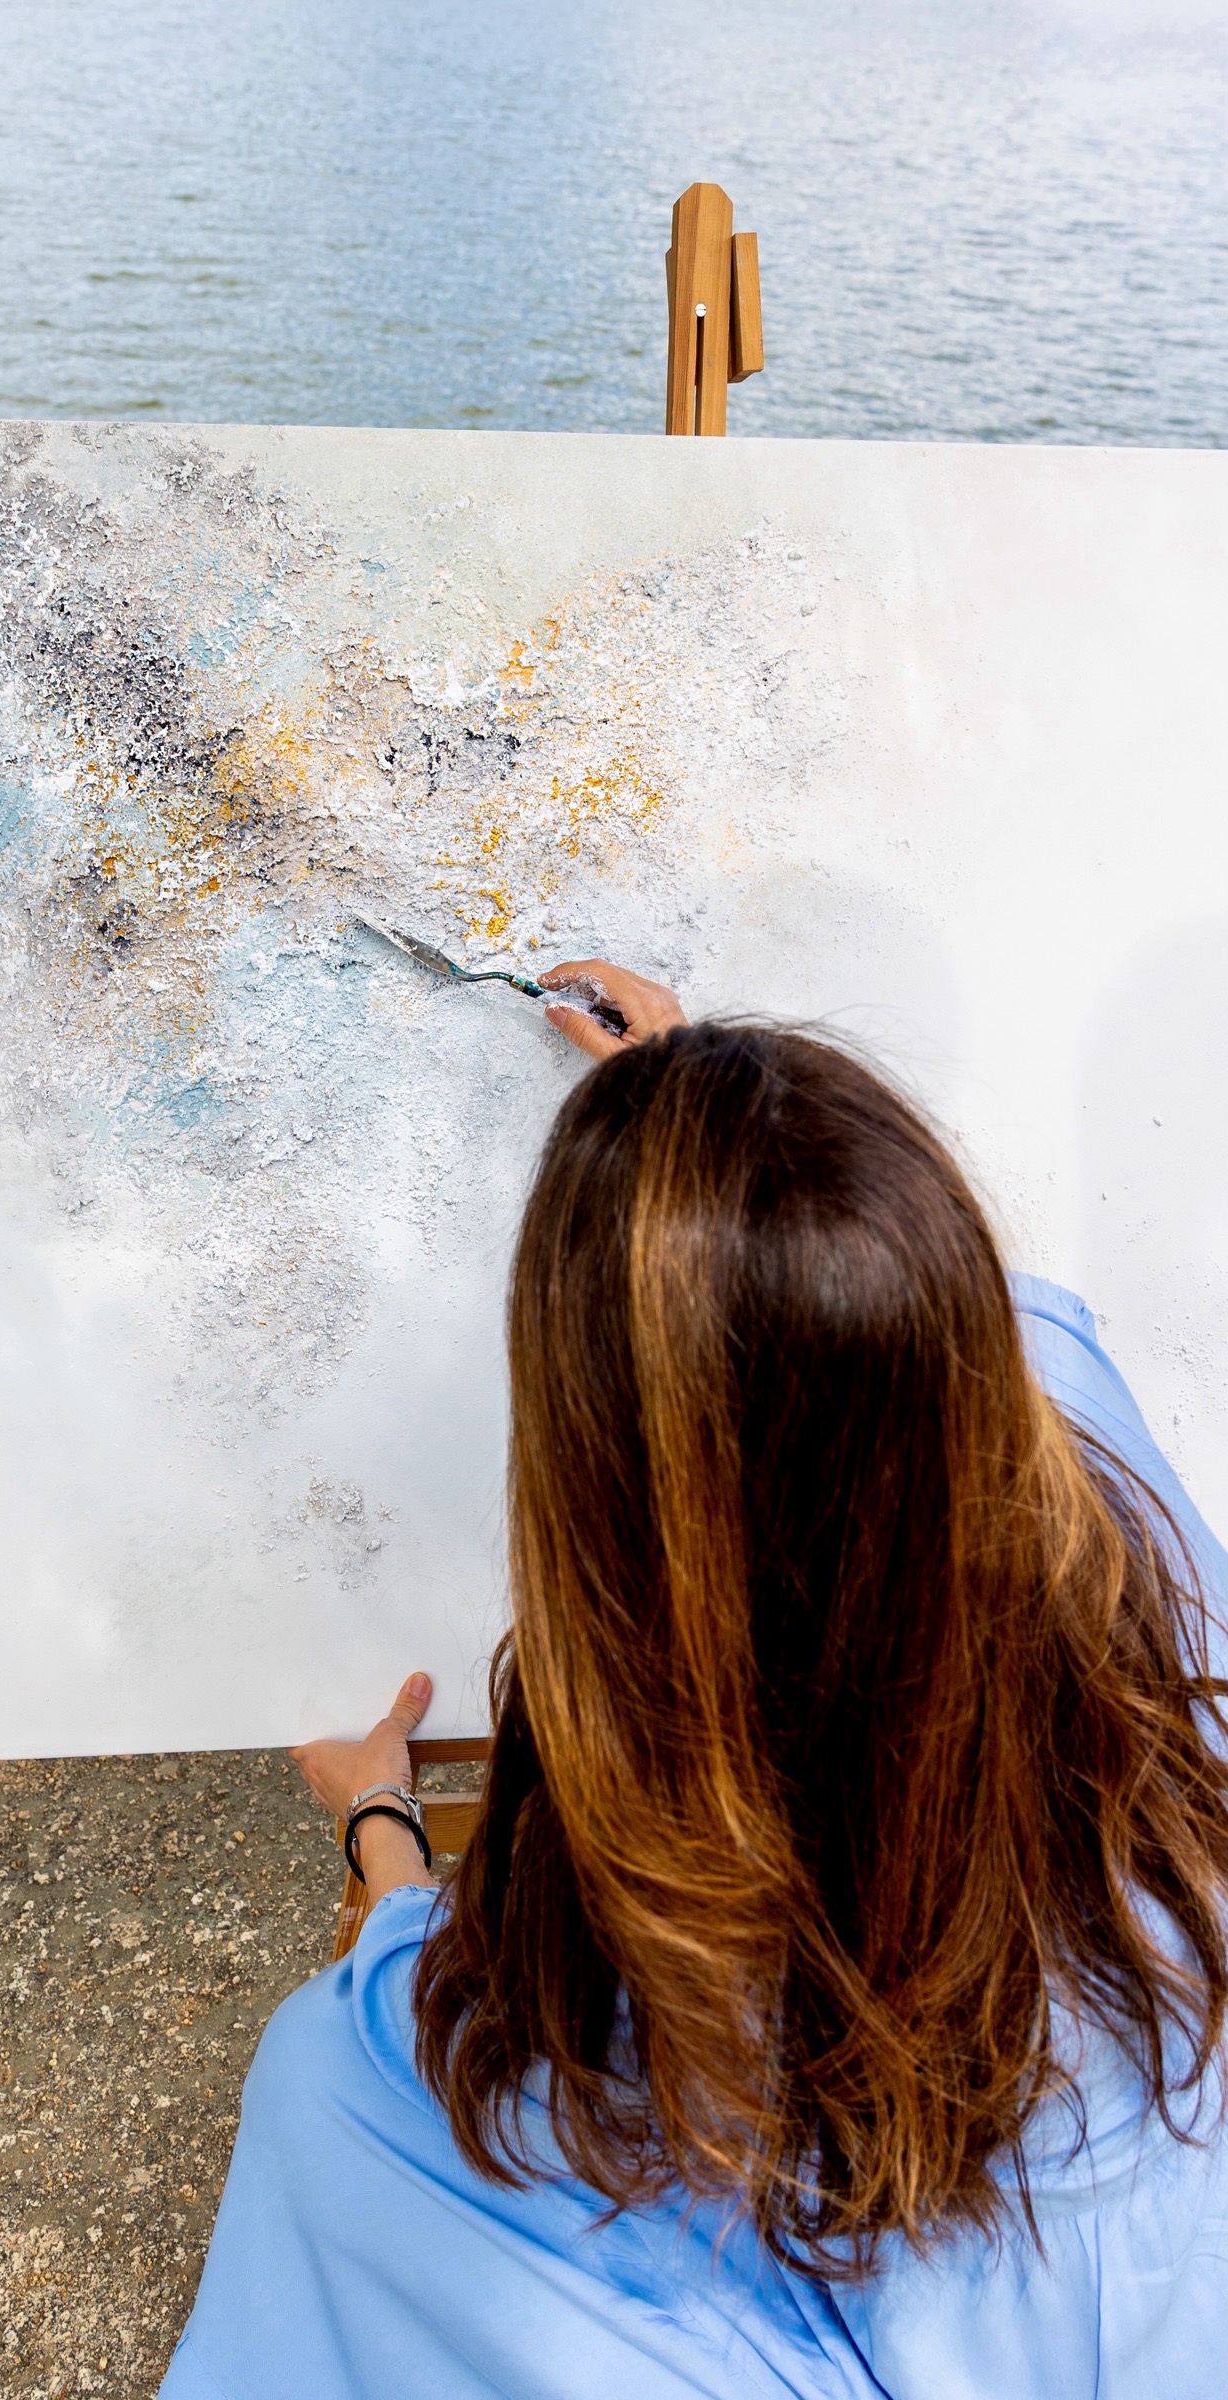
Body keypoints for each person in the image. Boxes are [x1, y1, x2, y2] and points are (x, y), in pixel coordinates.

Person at [161, 961, 1228, 2400]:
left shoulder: (390, 2123)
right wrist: (721, 1151)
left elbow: (438, 2061)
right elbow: (976, 1348)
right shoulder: (1171, 1658)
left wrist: (384, 1840)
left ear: (586, 1504)